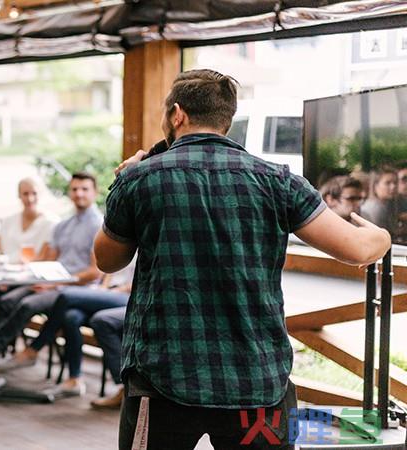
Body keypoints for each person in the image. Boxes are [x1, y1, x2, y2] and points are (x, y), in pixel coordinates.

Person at [95, 69, 391, 450]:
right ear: (227, 119)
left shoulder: (141, 178)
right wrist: (381, 235)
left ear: (178, 114)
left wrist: (122, 183)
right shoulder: (277, 179)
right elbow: (358, 250)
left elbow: (107, 259)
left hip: (163, 378)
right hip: (256, 382)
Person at [0, 172, 103, 355]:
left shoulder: (99, 226)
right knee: (6, 300)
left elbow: (94, 272)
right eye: (75, 189)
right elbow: (50, 260)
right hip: (52, 283)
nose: (79, 193)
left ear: (95, 193)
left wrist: (57, 282)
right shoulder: (63, 225)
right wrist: (43, 279)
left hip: (76, 289)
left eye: (85, 189)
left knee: (27, 305)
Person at [5, 258, 135, 397]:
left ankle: (35, 347)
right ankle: (75, 379)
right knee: (70, 318)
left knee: (65, 296)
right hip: (101, 292)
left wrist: (108, 290)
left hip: (122, 296)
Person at [0, 177, 58, 263]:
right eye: (25, 194)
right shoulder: (8, 221)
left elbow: (44, 257)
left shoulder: (51, 222)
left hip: (32, 272)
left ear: (41, 194)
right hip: (4, 270)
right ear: (19, 195)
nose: (30, 199)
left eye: (34, 193)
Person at [360, 167, 398, 235]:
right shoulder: (374, 208)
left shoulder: (387, 205)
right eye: (387, 183)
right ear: (375, 185)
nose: (393, 187)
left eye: (395, 183)